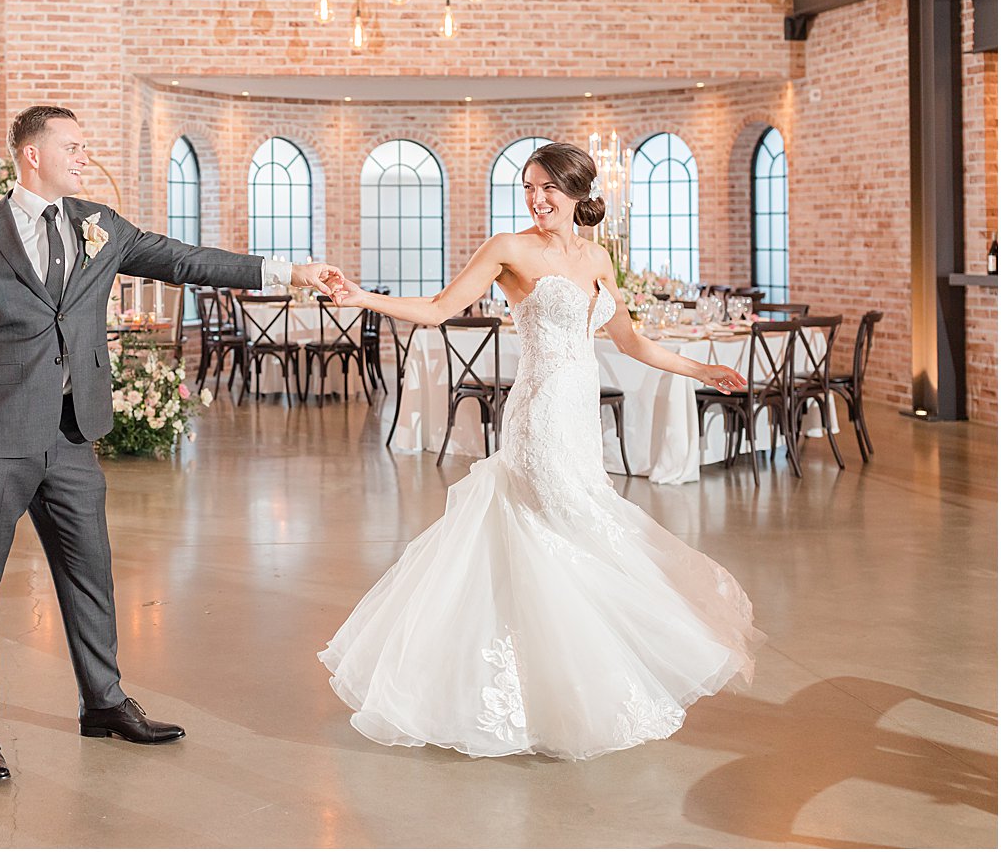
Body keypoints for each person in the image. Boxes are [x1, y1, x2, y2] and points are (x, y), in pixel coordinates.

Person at [0, 105, 344, 783]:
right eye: (72, 146)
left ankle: (104, 702)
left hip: (74, 433)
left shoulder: (100, 225)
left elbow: (183, 259)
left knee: (92, 574)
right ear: (32, 153)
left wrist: (288, 271)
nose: (84, 156)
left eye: (85, 146)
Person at [321, 141, 763, 761]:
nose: (537, 199)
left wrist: (702, 368)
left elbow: (631, 343)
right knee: (559, 530)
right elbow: (438, 309)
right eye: (529, 187)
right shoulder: (509, 249)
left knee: (568, 537)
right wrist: (360, 298)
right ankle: (540, 695)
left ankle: (559, 686)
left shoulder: (598, 258)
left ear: (579, 193)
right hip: (539, 416)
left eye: (549, 188)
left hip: (578, 416)